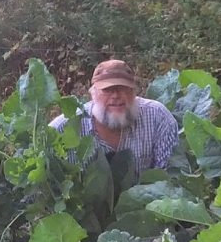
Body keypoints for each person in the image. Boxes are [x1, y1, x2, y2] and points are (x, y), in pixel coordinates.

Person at [49, 59, 178, 182]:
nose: (116, 95)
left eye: (123, 88)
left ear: (134, 92)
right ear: (93, 93)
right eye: (107, 90)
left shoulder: (158, 118)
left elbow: (168, 180)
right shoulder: (61, 129)